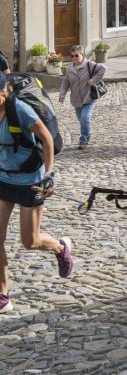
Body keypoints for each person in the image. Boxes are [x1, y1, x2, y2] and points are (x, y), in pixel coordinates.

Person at [0, 73, 73, 313]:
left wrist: (49, 174)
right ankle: (3, 295)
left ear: (3, 92)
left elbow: (47, 139)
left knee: (30, 241)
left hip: (30, 179)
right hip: (3, 178)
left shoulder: (19, 110)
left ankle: (60, 248)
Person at [58, 45, 106, 149]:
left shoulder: (89, 65)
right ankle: (88, 132)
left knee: (85, 118)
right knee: (82, 120)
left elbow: (103, 68)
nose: (74, 58)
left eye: (76, 55)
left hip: (89, 98)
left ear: (82, 54)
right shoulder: (70, 69)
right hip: (76, 100)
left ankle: (83, 140)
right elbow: (65, 83)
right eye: (72, 56)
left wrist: (94, 80)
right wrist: (62, 95)